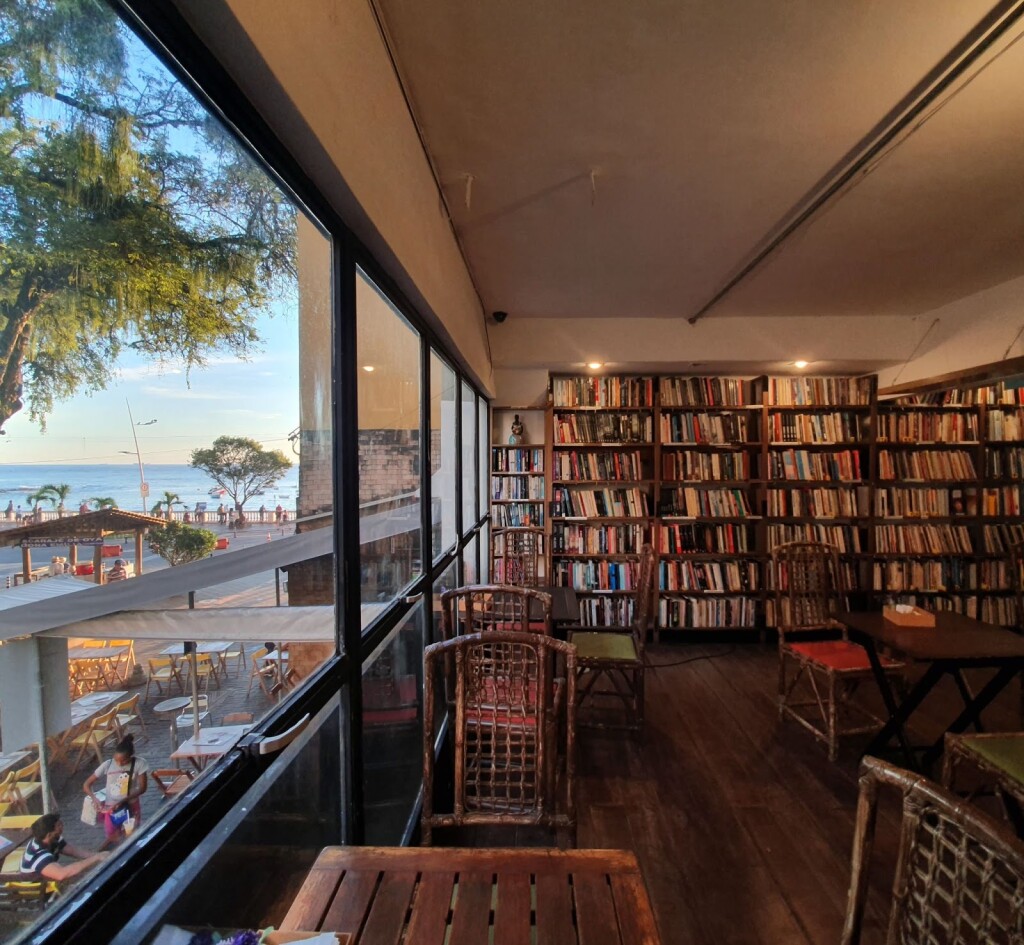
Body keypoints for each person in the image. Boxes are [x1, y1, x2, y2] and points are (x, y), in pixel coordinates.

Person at [83, 735, 149, 848]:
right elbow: (86, 784)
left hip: (130, 805)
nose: (119, 763)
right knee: (112, 833)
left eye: (123, 761)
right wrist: (95, 798)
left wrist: (124, 800)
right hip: (111, 807)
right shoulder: (107, 764)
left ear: (130, 757)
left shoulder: (139, 763)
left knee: (131, 833)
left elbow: (142, 788)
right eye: (116, 760)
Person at [20, 813, 108, 883]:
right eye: (59, 825)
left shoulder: (54, 839)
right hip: (37, 887)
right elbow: (61, 874)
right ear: (49, 834)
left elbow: (73, 851)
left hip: (46, 878)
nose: (62, 826)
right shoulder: (39, 855)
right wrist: (95, 858)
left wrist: (98, 855)